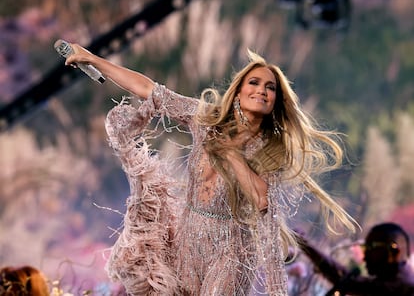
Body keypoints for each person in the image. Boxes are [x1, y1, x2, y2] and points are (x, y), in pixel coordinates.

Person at [64, 43, 358, 295]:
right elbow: (150, 90)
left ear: (276, 102)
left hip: (231, 250)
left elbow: (261, 199)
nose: (262, 90)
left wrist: (230, 152)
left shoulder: (271, 149)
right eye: (254, 83)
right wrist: (91, 57)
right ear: (239, 91)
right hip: (187, 240)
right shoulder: (206, 119)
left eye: (271, 88)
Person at [298, 222, 414, 295]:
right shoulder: (394, 283)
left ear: (394, 251)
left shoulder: (401, 288)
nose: (365, 256)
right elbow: (344, 279)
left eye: (371, 247)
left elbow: (342, 278)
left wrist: (305, 245)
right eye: (365, 248)